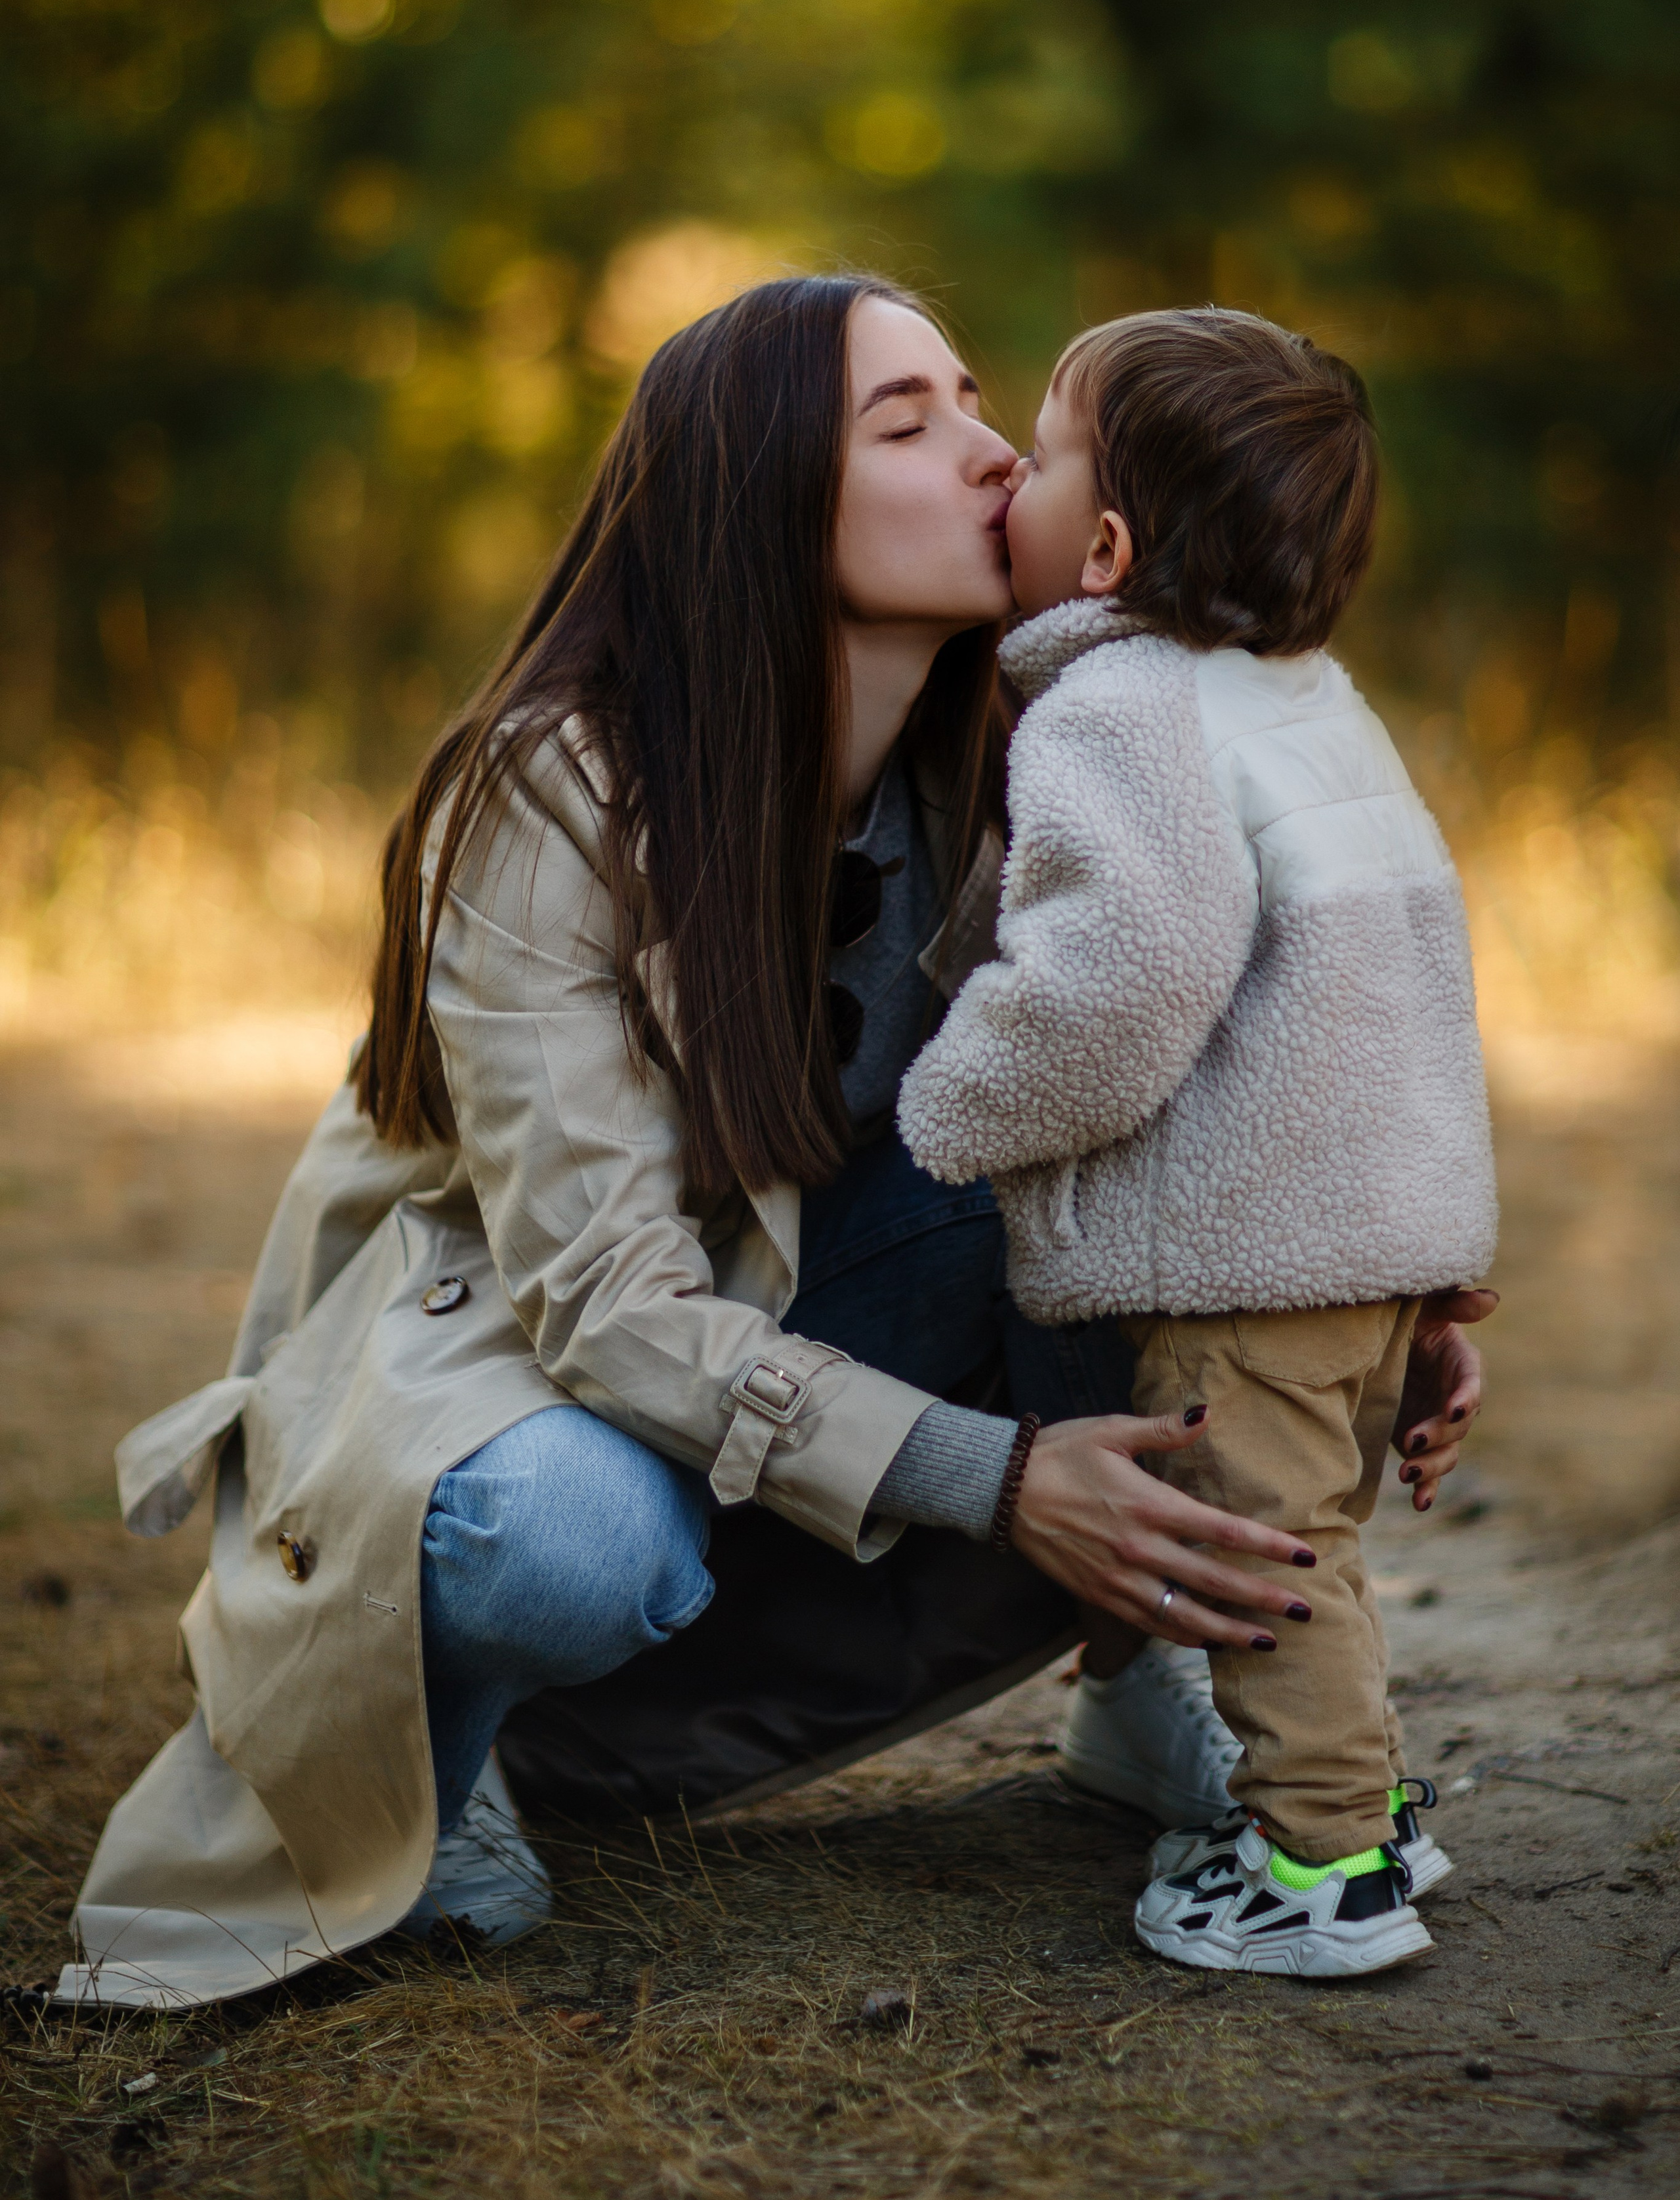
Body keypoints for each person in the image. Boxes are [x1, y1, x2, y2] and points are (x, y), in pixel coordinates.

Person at [56, 278, 1488, 2011]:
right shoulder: (554, 789)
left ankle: (1153, 1677)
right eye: (913, 425)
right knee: (564, 1535)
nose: (983, 458)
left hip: (803, 1316)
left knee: (1153, 1187)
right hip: (520, 1370)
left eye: (987, 411)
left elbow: (1257, 1023)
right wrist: (1003, 1477)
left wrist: (1379, 1293)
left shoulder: (1053, 734)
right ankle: (438, 1762)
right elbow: (598, 1298)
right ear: (762, 503)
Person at [898, 307, 1498, 1979]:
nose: (1001, 463)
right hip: (1370, 1240)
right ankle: (1360, 1808)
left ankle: (1316, 1875)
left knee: (1259, 1566)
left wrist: (951, 1109)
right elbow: (1406, 977)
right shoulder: (1303, 703)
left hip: (1250, 1246)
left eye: (1039, 437)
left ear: (1100, 550)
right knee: (1316, 1544)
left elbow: (1118, 977)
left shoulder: (1119, 712)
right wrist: (1440, 1275)